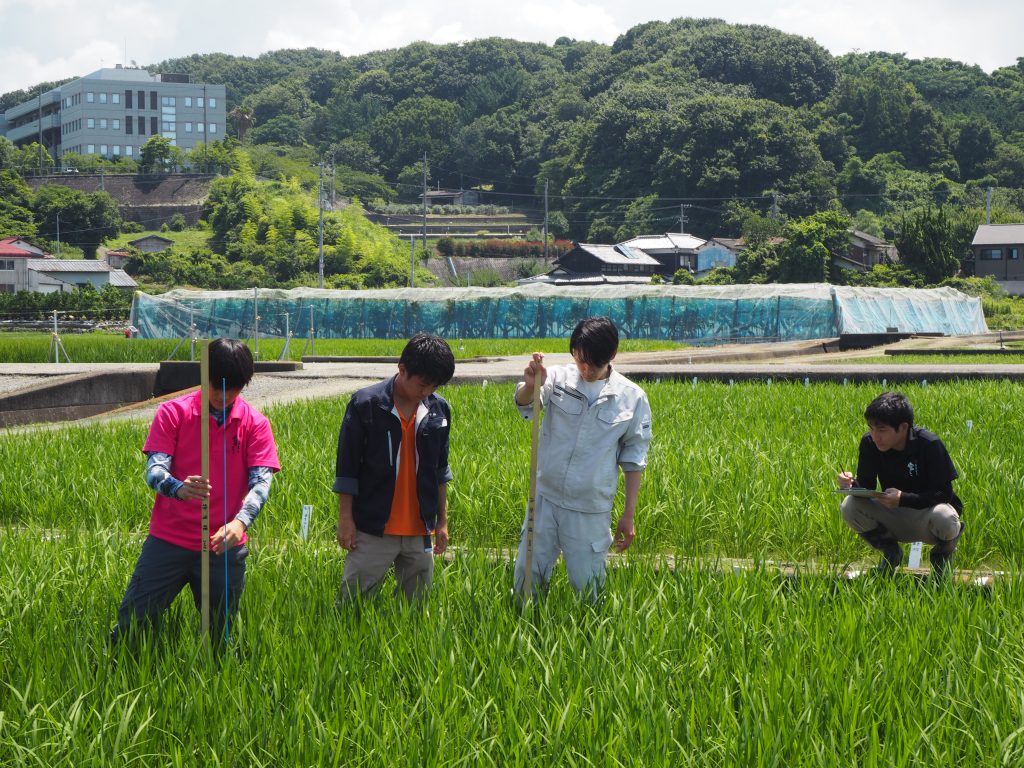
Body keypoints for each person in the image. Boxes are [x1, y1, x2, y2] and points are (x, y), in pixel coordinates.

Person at [111, 338, 280, 647]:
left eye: (235, 389)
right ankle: (113, 674)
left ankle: (217, 686)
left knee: (221, 634)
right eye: (218, 387)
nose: (225, 397)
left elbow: (261, 482)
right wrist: (179, 488)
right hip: (169, 540)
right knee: (133, 624)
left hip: (223, 546)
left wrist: (240, 523)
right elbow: (155, 469)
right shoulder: (173, 413)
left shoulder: (255, 424)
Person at [513, 317, 653, 600]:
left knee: (588, 591)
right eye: (579, 360)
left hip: (589, 509)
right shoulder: (557, 378)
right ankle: (524, 629)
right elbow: (527, 406)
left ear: (612, 355)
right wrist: (530, 384)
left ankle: (587, 641)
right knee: (526, 583)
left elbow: (634, 458)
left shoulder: (631, 398)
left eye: (592, 363)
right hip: (544, 499)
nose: (585, 369)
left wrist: (628, 515)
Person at [334, 332, 455, 602]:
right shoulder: (366, 404)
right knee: (352, 606)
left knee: (415, 610)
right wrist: (346, 520)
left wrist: (442, 521)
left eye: (434, 386)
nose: (427, 392)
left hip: (419, 530)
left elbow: (440, 470)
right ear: (402, 369)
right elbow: (347, 468)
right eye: (423, 384)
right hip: (373, 528)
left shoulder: (439, 410)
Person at [838, 391, 964, 576]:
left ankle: (942, 559)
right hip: (892, 513)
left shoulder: (928, 444)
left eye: (881, 430)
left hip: (927, 516)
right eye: (871, 428)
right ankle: (890, 552)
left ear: (903, 427)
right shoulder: (869, 444)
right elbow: (867, 486)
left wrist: (903, 499)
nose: (875, 436)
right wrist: (850, 485)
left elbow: (944, 493)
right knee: (849, 505)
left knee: (946, 517)